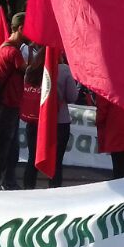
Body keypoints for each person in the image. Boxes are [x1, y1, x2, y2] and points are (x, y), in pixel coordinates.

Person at [20, 53, 80, 188]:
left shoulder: (31, 69)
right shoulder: (64, 70)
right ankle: (53, 194)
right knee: (56, 162)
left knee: (32, 158)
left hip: (36, 120)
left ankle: (27, 192)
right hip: (59, 122)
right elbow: (72, 96)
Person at [0, 13, 28, 190]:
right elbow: (31, 73)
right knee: (1, 145)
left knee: (9, 146)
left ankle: (5, 181)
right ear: (20, 28)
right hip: (8, 104)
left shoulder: (5, 48)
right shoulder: (12, 52)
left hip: (8, 104)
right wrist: (45, 51)